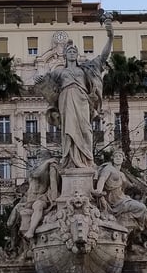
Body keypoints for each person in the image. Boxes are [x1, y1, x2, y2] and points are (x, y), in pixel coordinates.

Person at [41, 20, 113, 169]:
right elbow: (45, 84)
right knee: (68, 131)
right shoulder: (60, 71)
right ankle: (70, 161)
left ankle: (87, 160)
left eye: (74, 51)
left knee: (86, 129)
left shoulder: (85, 69)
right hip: (66, 99)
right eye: (69, 52)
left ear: (77, 54)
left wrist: (110, 36)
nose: (72, 53)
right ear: (65, 55)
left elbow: (103, 57)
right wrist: (39, 80)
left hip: (82, 99)